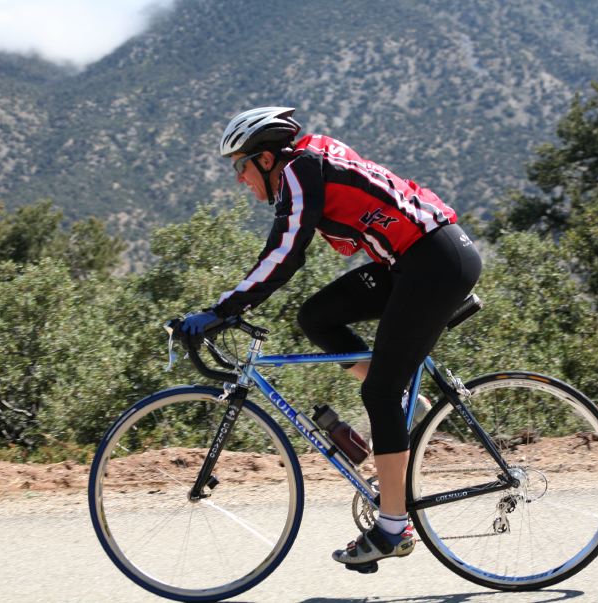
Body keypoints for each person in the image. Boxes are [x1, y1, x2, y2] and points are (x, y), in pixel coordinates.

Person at [180, 106, 482, 567]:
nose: (239, 180)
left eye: (240, 166)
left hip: (434, 263)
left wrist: (222, 310)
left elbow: (284, 252)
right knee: (317, 317)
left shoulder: (301, 170)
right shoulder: (311, 160)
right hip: (411, 264)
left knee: (378, 394)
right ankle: (396, 393)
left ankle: (392, 529)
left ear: (265, 159)